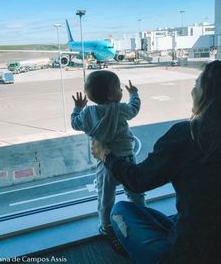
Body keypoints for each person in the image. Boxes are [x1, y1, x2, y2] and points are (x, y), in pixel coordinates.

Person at [92, 60, 221, 264]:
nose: (192, 91)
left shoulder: (188, 135)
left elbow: (137, 180)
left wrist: (106, 155)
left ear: (208, 94)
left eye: (196, 85)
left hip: (188, 255)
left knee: (120, 211)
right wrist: (134, 95)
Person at [71, 70, 145, 252]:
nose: (121, 90)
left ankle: (105, 226)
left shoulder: (88, 113)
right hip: (126, 160)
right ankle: (143, 215)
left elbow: (74, 123)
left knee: (105, 199)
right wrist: (134, 94)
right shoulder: (120, 109)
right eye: (119, 88)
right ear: (113, 95)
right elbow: (134, 108)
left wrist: (78, 108)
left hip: (105, 164)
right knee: (135, 192)